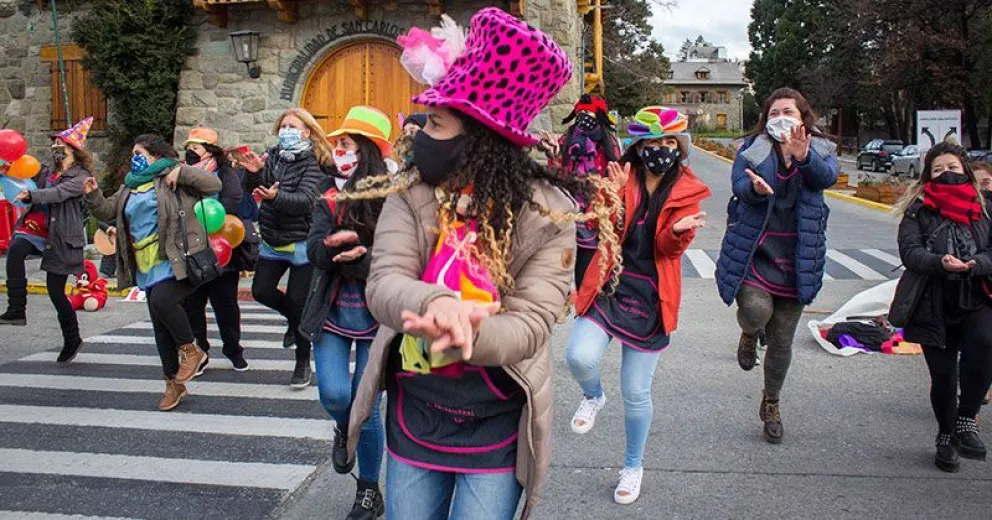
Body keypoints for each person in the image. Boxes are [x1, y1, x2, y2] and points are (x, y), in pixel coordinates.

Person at [340, 9, 616, 519]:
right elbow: (384, 284)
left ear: (481, 136)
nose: (422, 132)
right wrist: (436, 303)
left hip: (496, 423)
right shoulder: (413, 194)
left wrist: (471, 335)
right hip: (415, 414)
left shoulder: (547, 212)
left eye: (437, 123)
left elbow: (532, 323)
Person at [567, 107, 710, 505]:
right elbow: (601, 230)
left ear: (679, 148)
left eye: (670, 143)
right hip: (610, 287)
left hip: (652, 299)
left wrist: (678, 236)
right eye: (654, 143)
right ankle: (593, 395)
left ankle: (633, 465)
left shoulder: (685, 190)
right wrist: (608, 200)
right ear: (639, 145)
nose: (661, 150)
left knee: (635, 391)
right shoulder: (621, 176)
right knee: (579, 357)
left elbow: (665, 248)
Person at [715, 87, 839, 443]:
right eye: (773, 113)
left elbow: (825, 178)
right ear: (765, 119)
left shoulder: (821, 149)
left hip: (799, 256)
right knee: (754, 310)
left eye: (789, 111)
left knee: (783, 342)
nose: (781, 117)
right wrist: (754, 189)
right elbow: (740, 185)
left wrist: (804, 159)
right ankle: (750, 332)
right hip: (757, 251)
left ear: (803, 117)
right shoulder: (752, 149)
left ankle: (771, 402)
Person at [299, 106, 392, 520]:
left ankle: (369, 491)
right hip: (332, 310)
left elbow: (396, 260)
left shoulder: (393, 197)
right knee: (336, 395)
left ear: (368, 151)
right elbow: (314, 251)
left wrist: (361, 255)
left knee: (366, 406)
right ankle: (344, 427)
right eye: (337, 144)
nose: (339, 151)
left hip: (377, 315)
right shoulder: (326, 194)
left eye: (347, 144)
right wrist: (335, 249)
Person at [84, 133, 221, 410]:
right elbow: (108, 210)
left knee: (162, 301)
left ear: (156, 156)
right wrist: (93, 195)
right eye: (133, 153)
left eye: (140, 153)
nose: (134, 158)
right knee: (160, 327)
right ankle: (173, 384)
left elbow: (212, 184)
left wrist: (181, 172)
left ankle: (192, 350)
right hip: (146, 264)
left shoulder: (172, 176)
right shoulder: (130, 187)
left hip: (177, 259)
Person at [889, 142, 992, 472]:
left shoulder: (986, 207)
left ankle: (965, 419)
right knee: (943, 376)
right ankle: (946, 436)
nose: (946, 173)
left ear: (964, 169)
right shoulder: (918, 211)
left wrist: (976, 263)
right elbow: (910, 253)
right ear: (927, 177)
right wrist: (939, 262)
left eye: (952, 167)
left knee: (984, 345)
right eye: (937, 169)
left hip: (977, 294)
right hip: (932, 301)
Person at [235, 108, 331, 388]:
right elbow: (253, 189)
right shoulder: (272, 155)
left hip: (303, 240)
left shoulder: (315, 162)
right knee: (261, 290)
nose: (286, 130)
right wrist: (253, 174)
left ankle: (303, 363)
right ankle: (294, 321)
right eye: (283, 126)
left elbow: (305, 200)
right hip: (273, 239)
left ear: (307, 132)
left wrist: (275, 197)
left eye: (292, 126)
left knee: (298, 302)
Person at [0, 117, 95, 364]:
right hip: (36, 227)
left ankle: (72, 338)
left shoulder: (80, 176)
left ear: (73, 150)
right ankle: (16, 309)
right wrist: (6, 169)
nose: (54, 148)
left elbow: (58, 193)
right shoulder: (47, 170)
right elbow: (25, 174)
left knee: (56, 292)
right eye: (53, 144)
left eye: (59, 145)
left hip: (61, 235)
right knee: (16, 249)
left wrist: (32, 194)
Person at [180, 127, 255, 374]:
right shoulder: (181, 173)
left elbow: (232, 201)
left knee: (225, 305)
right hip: (192, 247)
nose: (191, 152)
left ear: (209, 150)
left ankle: (234, 349)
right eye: (188, 148)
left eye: (196, 148)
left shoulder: (226, 173)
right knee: (193, 304)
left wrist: (203, 212)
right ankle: (200, 352)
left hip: (222, 249)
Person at [540, 94, 622, 286]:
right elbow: (557, 179)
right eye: (581, 113)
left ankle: (586, 307)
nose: (584, 117)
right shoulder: (566, 141)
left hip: (596, 218)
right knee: (558, 275)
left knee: (589, 277)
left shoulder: (609, 145)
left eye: (589, 113)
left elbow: (615, 181)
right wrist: (554, 156)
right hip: (568, 215)